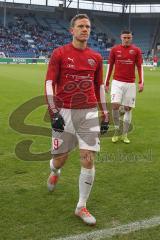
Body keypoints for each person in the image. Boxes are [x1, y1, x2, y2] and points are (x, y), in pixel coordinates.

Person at [45, 14, 109, 226]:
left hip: (89, 112)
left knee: (88, 157)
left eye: (88, 26)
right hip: (64, 112)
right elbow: (49, 83)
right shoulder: (60, 53)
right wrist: (54, 113)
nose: (85, 29)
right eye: (80, 26)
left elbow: (99, 87)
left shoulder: (96, 57)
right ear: (71, 30)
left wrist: (105, 113)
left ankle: (81, 206)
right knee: (60, 159)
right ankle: (54, 171)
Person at [105, 30, 144, 144]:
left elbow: (140, 66)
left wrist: (141, 82)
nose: (126, 39)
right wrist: (106, 82)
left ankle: (125, 134)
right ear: (121, 37)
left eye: (129, 37)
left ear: (131, 38)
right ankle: (117, 130)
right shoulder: (114, 50)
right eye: (124, 37)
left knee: (127, 109)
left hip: (130, 84)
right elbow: (110, 66)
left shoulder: (136, 50)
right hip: (117, 82)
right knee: (115, 106)